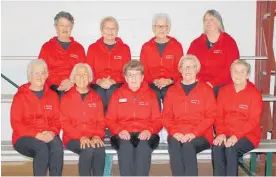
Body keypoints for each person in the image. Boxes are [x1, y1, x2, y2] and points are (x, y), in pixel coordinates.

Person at [105, 60, 162, 176]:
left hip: (146, 132)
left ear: (142, 77)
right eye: (130, 75)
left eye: (136, 74)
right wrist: (119, 130)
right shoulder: (117, 94)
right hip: (123, 132)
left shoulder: (151, 94)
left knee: (143, 147)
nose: (133, 78)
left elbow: (158, 120)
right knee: (126, 146)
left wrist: (149, 130)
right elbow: (109, 119)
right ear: (125, 78)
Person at [163, 55, 217, 176]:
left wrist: (193, 133)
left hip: (201, 135)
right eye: (185, 67)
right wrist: (174, 132)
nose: (187, 70)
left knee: (188, 146)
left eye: (191, 67)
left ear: (197, 69)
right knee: (174, 143)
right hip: (177, 133)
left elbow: (211, 116)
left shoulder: (206, 90)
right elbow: (166, 116)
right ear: (180, 69)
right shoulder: (172, 91)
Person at [10, 59, 63, 176]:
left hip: (48, 133)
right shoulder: (20, 96)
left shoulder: (53, 96)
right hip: (24, 137)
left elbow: (57, 120)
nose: (40, 76)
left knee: (57, 146)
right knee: (41, 147)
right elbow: (16, 124)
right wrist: (36, 134)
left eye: (42, 73)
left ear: (47, 75)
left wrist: (52, 132)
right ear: (29, 76)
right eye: (36, 73)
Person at [212, 60, 263, 176]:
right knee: (217, 147)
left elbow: (253, 121)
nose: (238, 75)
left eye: (242, 72)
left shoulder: (254, 94)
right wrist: (221, 133)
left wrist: (236, 136)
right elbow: (218, 115)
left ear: (247, 75)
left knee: (231, 149)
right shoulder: (223, 91)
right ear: (231, 73)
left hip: (248, 135)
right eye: (235, 71)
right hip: (226, 133)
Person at [60, 63, 106, 176]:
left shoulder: (96, 97)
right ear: (73, 78)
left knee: (100, 149)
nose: (82, 77)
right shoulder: (66, 98)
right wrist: (81, 137)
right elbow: (64, 123)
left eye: (85, 74)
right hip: (73, 137)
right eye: (78, 75)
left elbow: (101, 121)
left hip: (93, 136)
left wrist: (97, 135)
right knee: (88, 149)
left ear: (90, 78)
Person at [187, 9, 240, 97]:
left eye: (211, 19)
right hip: (200, 83)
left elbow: (232, 67)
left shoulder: (229, 42)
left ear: (219, 22)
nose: (208, 22)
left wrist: (213, 83)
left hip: (223, 84)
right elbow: (189, 65)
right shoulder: (196, 43)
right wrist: (201, 83)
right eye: (205, 20)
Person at [87, 16, 131, 113]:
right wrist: (98, 81)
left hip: (117, 83)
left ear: (117, 30)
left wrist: (114, 81)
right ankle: (101, 121)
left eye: (113, 28)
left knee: (113, 91)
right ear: (101, 30)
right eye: (107, 28)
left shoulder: (124, 48)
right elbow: (88, 71)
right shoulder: (92, 48)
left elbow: (127, 72)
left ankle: (111, 121)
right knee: (98, 92)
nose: (110, 31)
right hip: (97, 83)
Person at [140, 13, 184, 108]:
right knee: (152, 95)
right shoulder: (146, 47)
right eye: (158, 26)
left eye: (164, 26)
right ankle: (156, 123)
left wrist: (170, 80)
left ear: (168, 28)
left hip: (171, 83)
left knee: (169, 94)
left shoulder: (177, 46)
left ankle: (169, 123)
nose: (161, 29)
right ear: (153, 28)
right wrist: (154, 80)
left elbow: (180, 69)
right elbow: (143, 70)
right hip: (152, 83)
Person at [39, 11, 86, 98]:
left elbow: (83, 71)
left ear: (72, 27)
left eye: (68, 26)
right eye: (62, 26)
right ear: (56, 27)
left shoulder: (79, 48)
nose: (65, 29)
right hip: (53, 87)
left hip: (74, 86)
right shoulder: (47, 47)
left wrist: (72, 82)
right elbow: (41, 70)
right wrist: (59, 83)